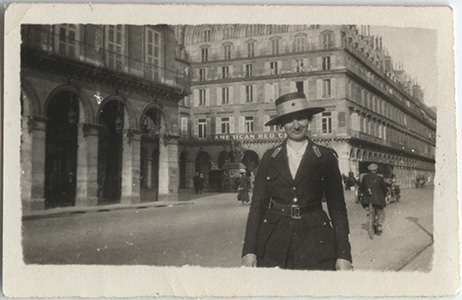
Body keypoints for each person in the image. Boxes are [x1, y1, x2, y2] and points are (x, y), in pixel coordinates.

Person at [241, 92, 352, 271]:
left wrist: (344, 254)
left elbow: (338, 209)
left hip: (316, 243)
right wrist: (249, 251)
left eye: (301, 118)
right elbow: (257, 208)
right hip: (274, 243)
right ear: (282, 124)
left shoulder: (325, 158)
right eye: (289, 120)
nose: (296, 125)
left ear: (309, 120)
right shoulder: (270, 158)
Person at [359, 163, 388, 235]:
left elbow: (361, 187)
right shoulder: (379, 178)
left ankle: (368, 210)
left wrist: (363, 193)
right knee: (380, 211)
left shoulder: (365, 177)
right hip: (378, 200)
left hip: (367, 200)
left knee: (368, 207)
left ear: (369, 170)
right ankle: (379, 225)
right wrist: (384, 196)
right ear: (376, 170)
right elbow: (384, 189)